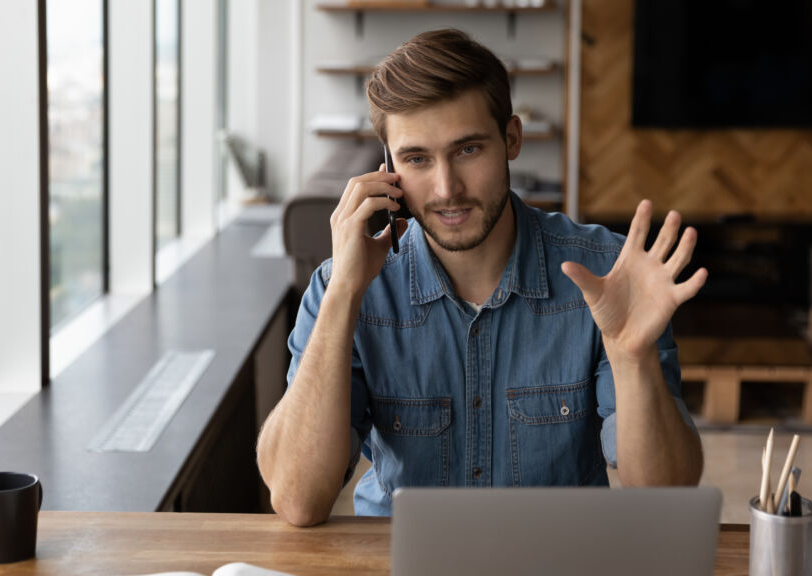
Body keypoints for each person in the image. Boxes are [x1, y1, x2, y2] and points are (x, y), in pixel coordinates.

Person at [257, 29, 706, 527]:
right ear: (387, 167)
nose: (447, 189)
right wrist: (344, 294)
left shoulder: (608, 274)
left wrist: (631, 358)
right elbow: (298, 501)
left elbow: (665, 496)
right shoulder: (344, 284)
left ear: (511, 138)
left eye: (468, 150)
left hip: (556, 559)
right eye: (416, 159)